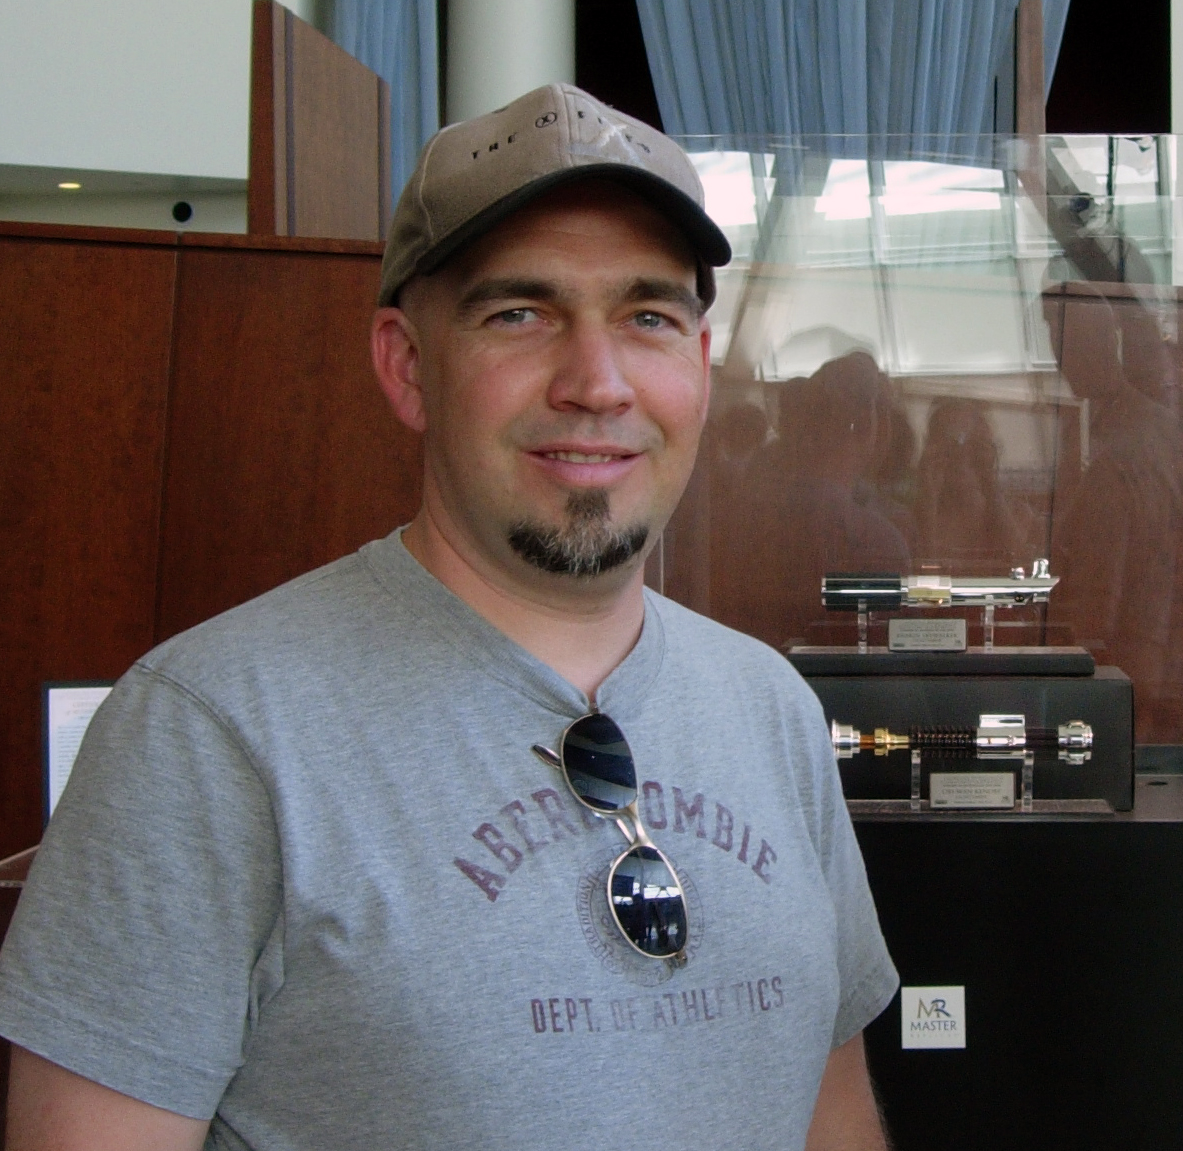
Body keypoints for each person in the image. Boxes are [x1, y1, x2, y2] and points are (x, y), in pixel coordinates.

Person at [0, 84, 897, 1150]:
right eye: (520, 312)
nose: (596, 381)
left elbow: (831, 1121)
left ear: (697, 368)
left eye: (647, 315)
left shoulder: (770, 708)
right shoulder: (207, 731)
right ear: (407, 364)